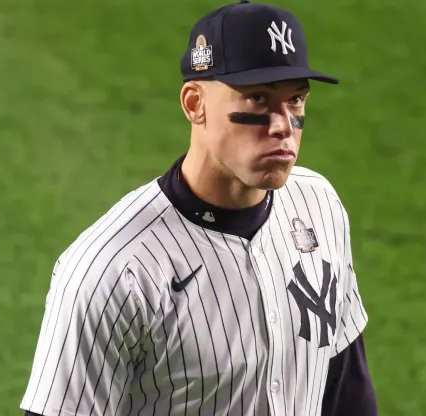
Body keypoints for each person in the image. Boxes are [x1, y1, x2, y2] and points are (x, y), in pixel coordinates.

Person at [19, 1, 377, 415]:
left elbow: (345, 385)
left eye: (295, 99)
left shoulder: (319, 205)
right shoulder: (115, 270)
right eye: (259, 98)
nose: (283, 125)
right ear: (194, 104)